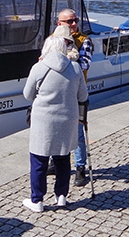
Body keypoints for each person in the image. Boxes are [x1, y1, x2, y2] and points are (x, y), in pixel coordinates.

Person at [22, 28, 88, 212]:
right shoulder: (74, 68)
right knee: (63, 158)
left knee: (39, 160)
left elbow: (27, 95)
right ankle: (61, 196)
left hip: (43, 120)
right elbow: (83, 95)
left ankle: (37, 200)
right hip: (67, 120)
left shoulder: (39, 68)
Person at [55, 8, 94, 187]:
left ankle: (80, 168)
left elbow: (84, 64)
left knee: (78, 134)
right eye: (68, 21)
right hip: (57, 91)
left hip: (77, 92)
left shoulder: (84, 41)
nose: (73, 24)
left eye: (74, 20)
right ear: (59, 23)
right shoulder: (52, 40)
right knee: (56, 129)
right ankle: (54, 162)